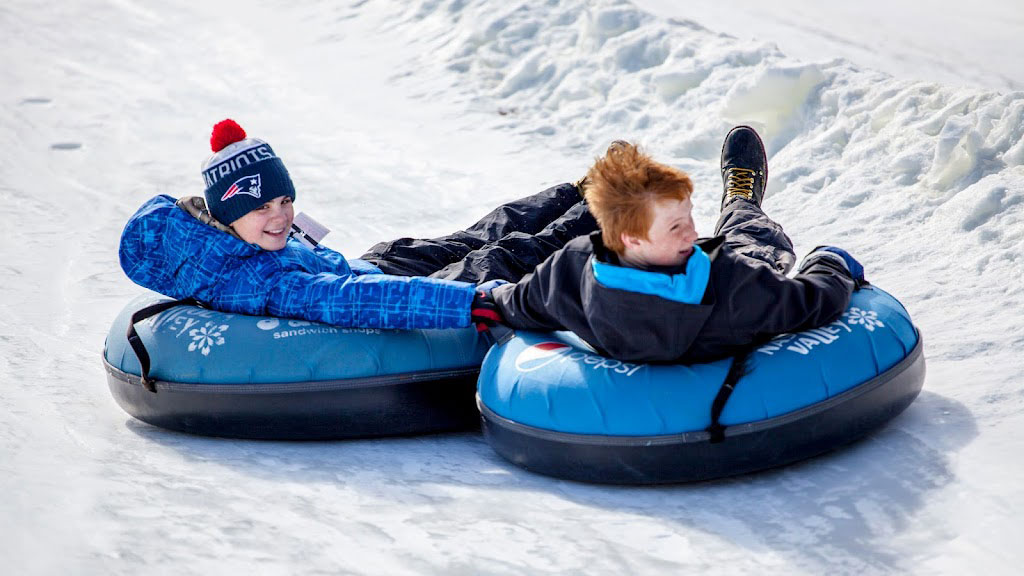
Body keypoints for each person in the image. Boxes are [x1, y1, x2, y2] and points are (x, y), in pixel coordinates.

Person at [119, 119, 597, 331]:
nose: (282, 216)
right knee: (501, 257)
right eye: (263, 207)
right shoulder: (260, 282)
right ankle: (608, 210)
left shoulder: (215, 237)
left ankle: (582, 189)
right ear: (228, 212)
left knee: (472, 236)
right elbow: (354, 300)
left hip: (366, 262)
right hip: (375, 282)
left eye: (285, 200)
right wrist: (474, 303)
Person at [474, 126, 865, 364]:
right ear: (629, 235)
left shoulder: (571, 269)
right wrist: (831, 263)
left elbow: (520, 303)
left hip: (638, 298)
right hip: (718, 302)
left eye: (689, 217)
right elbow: (812, 302)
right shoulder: (732, 285)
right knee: (750, 240)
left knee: (707, 247)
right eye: (678, 224)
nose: (692, 233)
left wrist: (491, 299)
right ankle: (741, 203)